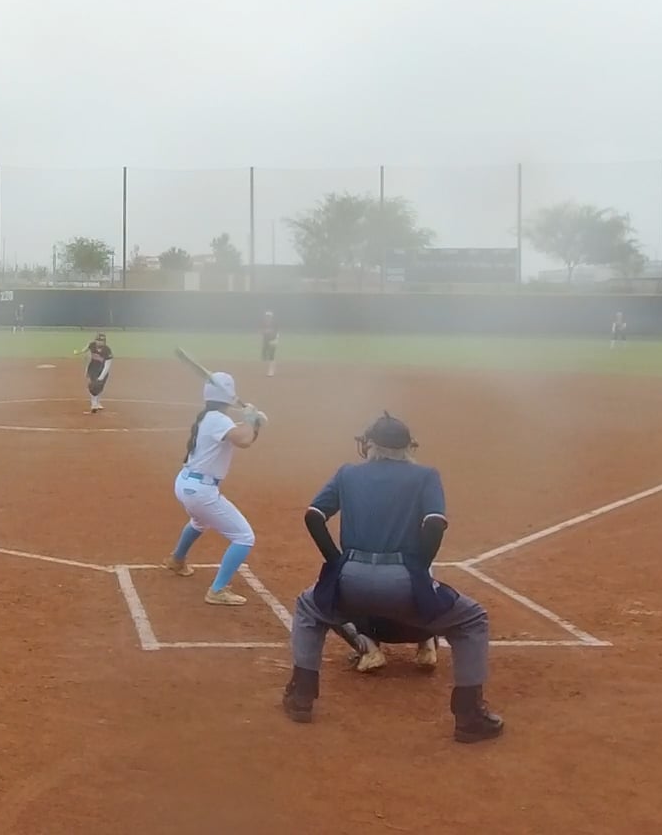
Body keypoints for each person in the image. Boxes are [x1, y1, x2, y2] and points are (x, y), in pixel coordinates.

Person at [281, 412, 503, 743]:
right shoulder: (426, 475)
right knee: (472, 619)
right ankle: (469, 715)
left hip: (350, 578)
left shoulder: (347, 473)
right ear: (407, 447)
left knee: (309, 608)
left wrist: (337, 562)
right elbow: (434, 524)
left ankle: (301, 696)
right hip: (403, 581)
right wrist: (417, 569)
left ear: (371, 445)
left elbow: (314, 516)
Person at [160, 371, 268, 606]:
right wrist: (250, 419)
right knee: (244, 537)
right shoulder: (218, 420)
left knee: (199, 522)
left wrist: (254, 424)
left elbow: (243, 436)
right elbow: (243, 439)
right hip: (200, 490)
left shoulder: (211, 418)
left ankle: (177, 560)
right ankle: (217, 590)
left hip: (186, 484)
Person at [83, 333, 113, 414]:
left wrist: (101, 377)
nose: (99, 342)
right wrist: (86, 369)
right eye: (98, 340)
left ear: (104, 342)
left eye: (101, 341)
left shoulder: (107, 350)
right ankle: (94, 404)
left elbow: (107, 365)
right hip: (92, 369)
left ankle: (98, 402)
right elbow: (87, 349)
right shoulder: (92, 345)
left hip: (102, 370)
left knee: (100, 387)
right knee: (93, 386)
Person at [261, 311, 279, 377]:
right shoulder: (264, 323)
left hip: (273, 339)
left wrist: (275, 339)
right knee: (264, 355)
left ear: (271, 317)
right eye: (267, 316)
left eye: (269, 316)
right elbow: (262, 331)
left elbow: (276, 332)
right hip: (266, 340)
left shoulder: (275, 323)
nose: (268, 317)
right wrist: (265, 332)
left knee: (271, 355)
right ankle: (269, 366)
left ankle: (271, 371)